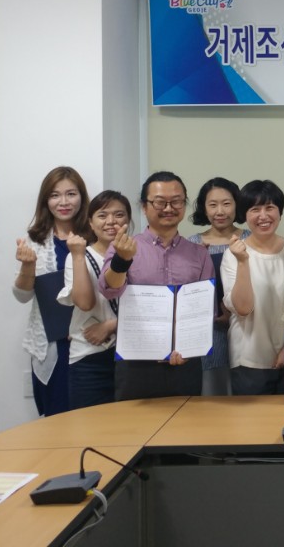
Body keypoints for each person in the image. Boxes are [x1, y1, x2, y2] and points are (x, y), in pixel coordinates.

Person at [99, 171, 214, 400]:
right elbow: (109, 289)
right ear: (144, 206)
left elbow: (205, 310)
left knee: (188, 422)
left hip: (185, 362)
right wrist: (122, 260)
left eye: (176, 201)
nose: (169, 208)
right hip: (136, 362)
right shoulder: (125, 247)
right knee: (132, 423)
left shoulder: (199, 254)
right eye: (160, 202)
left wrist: (190, 348)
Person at [13, 166, 90, 416]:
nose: (63, 202)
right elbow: (22, 296)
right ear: (46, 201)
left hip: (92, 341)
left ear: (82, 197)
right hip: (55, 345)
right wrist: (28, 266)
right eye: (55, 195)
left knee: (94, 418)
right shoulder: (34, 240)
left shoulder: (95, 235)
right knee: (58, 418)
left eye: (71, 194)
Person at [221, 180, 284, 395]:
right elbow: (243, 308)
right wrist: (242, 261)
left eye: (270, 207)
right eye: (254, 209)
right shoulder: (233, 254)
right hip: (248, 359)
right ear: (245, 215)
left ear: (280, 212)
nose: (263, 216)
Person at [58, 191, 131, 409]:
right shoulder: (79, 256)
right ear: (90, 222)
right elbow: (85, 303)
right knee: (89, 424)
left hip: (131, 354)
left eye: (119, 215)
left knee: (132, 424)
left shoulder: (138, 253)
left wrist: (111, 325)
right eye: (102, 215)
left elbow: (148, 306)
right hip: (88, 356)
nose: (111, 221)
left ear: (128, 220)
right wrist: (78, 255)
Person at [188, 177, 247, 396]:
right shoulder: (191, 244)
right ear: (204, 208)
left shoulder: (251, 240)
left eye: (226, 203)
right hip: (208, 331)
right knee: (213, 393)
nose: (220, 211)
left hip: (246, 326)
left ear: (237, 205)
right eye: (212, 205)